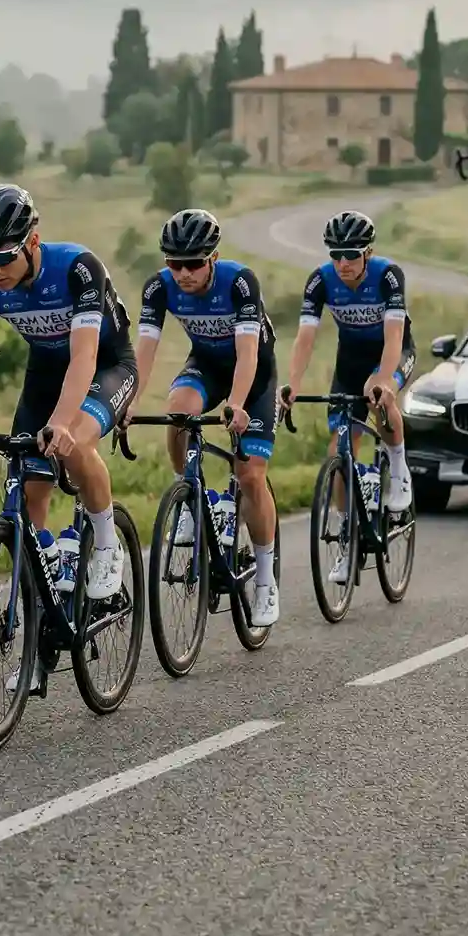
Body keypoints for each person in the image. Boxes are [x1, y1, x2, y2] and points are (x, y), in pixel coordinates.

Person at [0, 183, 137, 632]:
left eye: (2, 257)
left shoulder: (78, 268)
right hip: (45, 373)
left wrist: (60, 424)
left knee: (73, 444)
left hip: (106, 365)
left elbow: (85, 358)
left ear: (33, 241)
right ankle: (44, 603)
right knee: (28, 487)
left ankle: (108, 546)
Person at [129, 208, 280, 625]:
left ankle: (266, 580)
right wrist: (129, 398)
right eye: (173, 263)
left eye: (193, 264)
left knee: (250, 475)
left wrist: (237, 402)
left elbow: (249, 353)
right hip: (208, 366)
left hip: (254, 375)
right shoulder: (158, 288)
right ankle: (192, 499)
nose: (183, 274)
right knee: (177, 410)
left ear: (213, 258)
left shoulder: (239, 282)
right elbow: (145, 351)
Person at [278, 210, 415, 583]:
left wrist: (385, 381)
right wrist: (293, 383)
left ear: (368, 253)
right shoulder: (320, 281)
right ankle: (346, 540)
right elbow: (305, 337)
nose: (342, 263)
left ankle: (399, 468)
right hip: (349, 363)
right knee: (339, 448)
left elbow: (393, 337)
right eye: (335, 254)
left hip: (393, 352)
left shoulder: (388, 276)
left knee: (380, 399)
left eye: (351, 254)